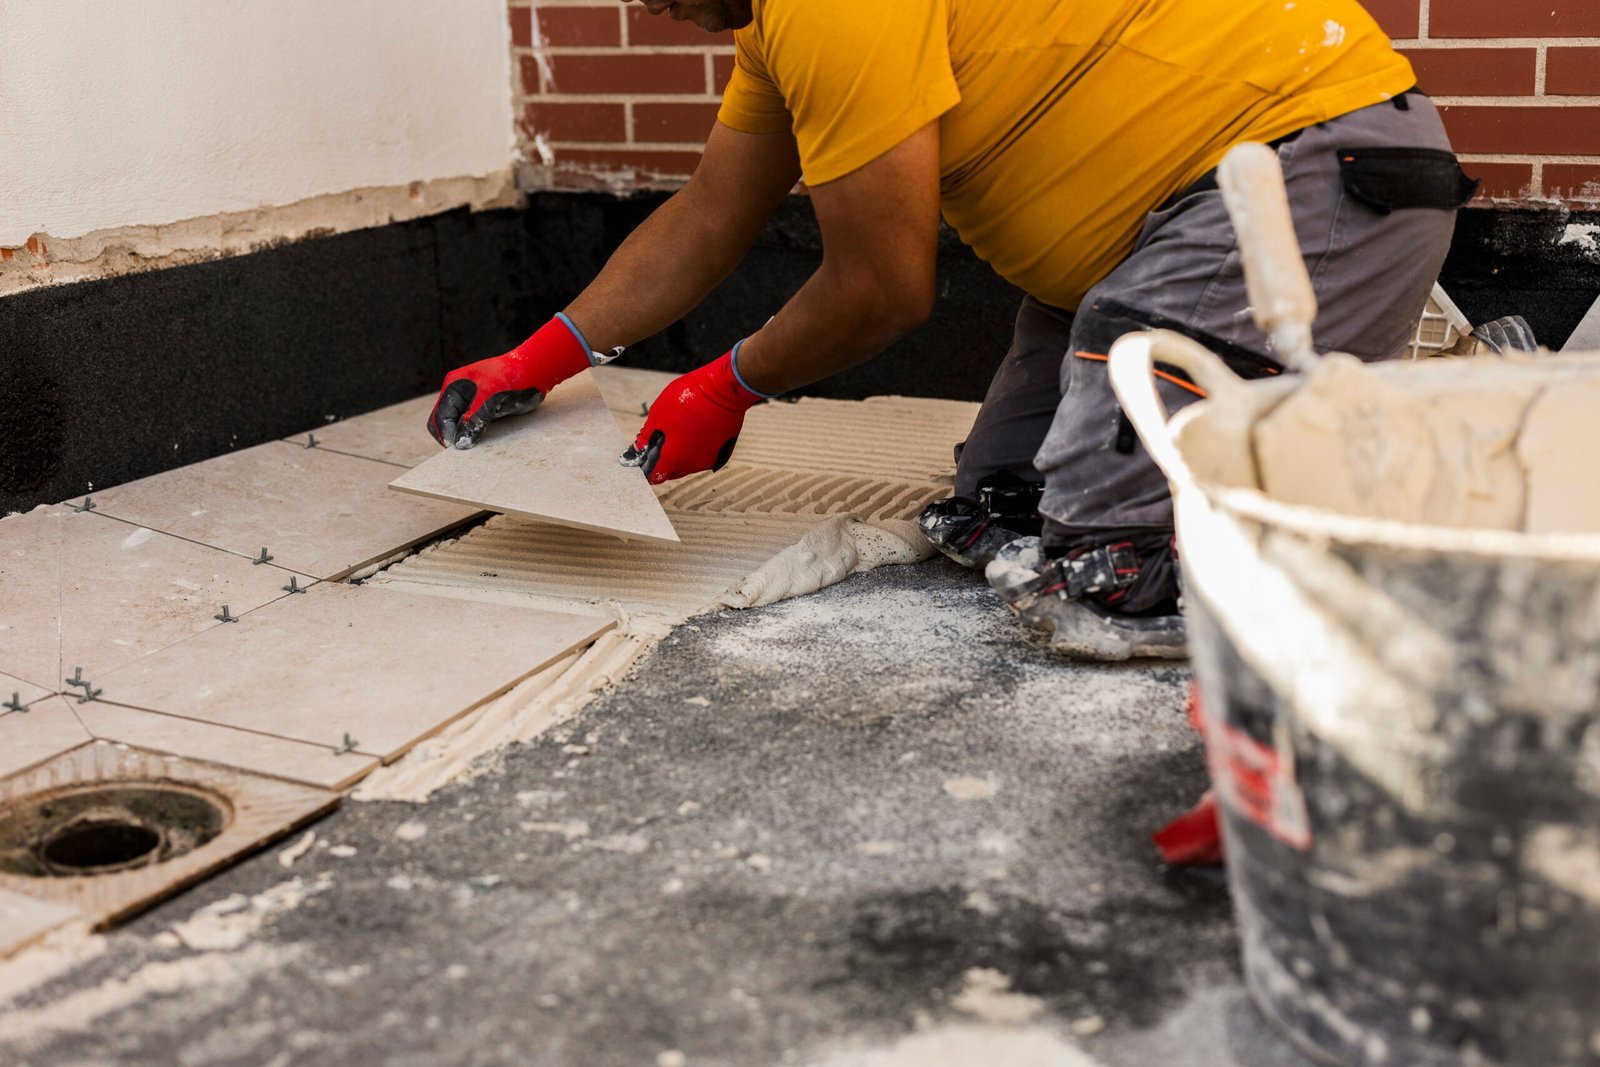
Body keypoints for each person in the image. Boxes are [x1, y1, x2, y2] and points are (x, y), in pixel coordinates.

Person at [428, 0, 1476, 660]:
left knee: (1108, 565)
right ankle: (1286, 441)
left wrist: (728, 383)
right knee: (999, 509)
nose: (638, 4)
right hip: (1151, 245)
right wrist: (544, 354)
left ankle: (1427, 455)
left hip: (1310, 179)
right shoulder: (778, 32)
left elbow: (883, 289)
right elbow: (709, 213)